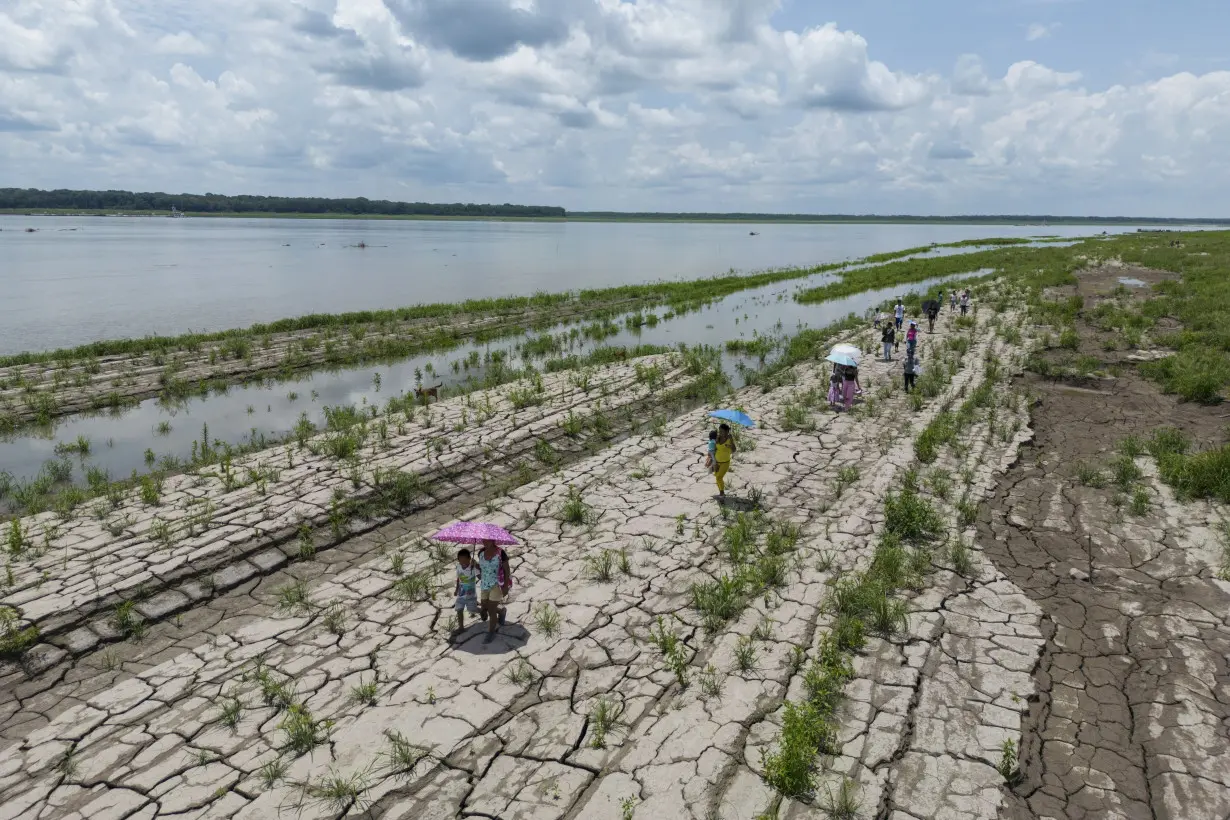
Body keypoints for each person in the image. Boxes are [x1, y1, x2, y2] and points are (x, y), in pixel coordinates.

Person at [476, 539, 513, 643]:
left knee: (491, 610)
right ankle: (501, 611)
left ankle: (491, 632)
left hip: (497, 585)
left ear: (493, 540)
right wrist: (475, 566)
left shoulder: (500, 553)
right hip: (484, 584)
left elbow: (507, 570)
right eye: (483, 540)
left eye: (487, 540)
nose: (484, 542)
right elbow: (482, 569)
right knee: (485, 607)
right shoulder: (480, 553)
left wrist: (505, 586)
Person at [453, 548, 480, 632]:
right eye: (461, 561)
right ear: (458, 560)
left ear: (470, 559)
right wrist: (456, 589)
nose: (463, 563)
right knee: (459, 609)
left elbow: (480, 577)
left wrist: (476, 565)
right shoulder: (458, 567)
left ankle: (482, 611)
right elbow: (459, 579)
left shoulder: (473, 567)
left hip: (470, 594)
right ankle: (461, 627)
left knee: (472, 609)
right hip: (461, 593)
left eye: (465, 561)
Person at [713, 423, 736, 498]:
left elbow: (734, 450)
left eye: (722, 431)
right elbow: (715, 448)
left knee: (719, 477)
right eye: (719, 431)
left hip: (725, 462)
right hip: (717, 462)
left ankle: (722, 493)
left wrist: (731, 441)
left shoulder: (729, 440)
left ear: (727, 431)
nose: (720, 433)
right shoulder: (718, 438)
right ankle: (721, 492)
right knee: (717, 478)